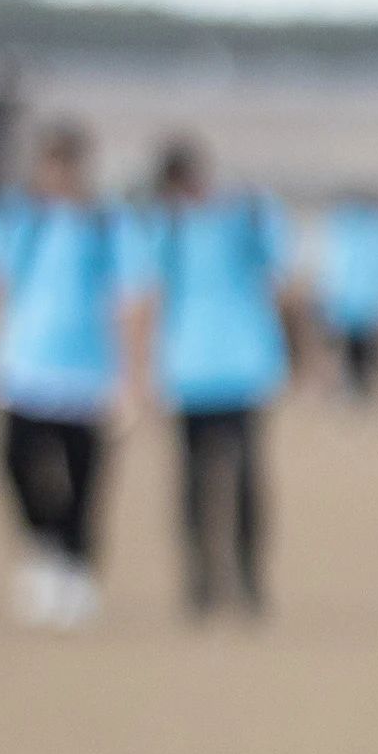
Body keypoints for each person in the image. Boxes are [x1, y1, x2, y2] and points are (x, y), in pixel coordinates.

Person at [0, 120, 140, 625]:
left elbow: (133, 300)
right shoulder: (23, 219)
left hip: (87, 374)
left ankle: (76, 568)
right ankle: (43, 547)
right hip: (25, 369)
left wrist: (131, 380)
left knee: (84, 480)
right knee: (17, 465)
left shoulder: (108, 223)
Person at [136, 137, 294, 619]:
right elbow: (151, 296)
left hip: (245, 364)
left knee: (246, 478)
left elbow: (283, 284)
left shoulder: (248, 214)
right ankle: (200, 581)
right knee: (192, 482)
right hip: (187, 369)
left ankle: (247, 578)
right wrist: (146, 369)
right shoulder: (169, 226)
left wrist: (300, 352)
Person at [312, 192, 378, 403]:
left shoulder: (340, 227)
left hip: (347, 302)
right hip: (365, 303)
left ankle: (352, 391)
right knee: (360, 352)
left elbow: (330, 265)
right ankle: (356, 391)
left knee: (349, 352)